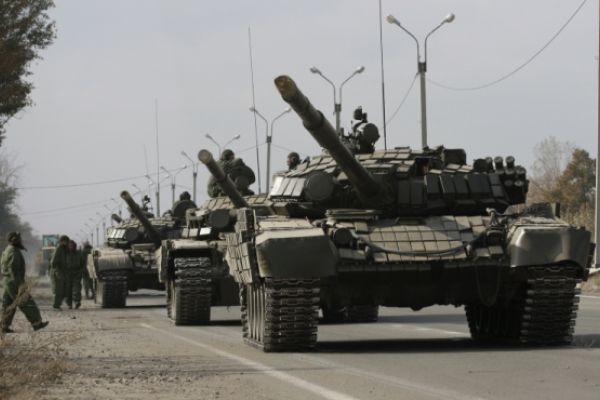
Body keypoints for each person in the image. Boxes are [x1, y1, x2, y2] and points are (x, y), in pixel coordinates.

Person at [0, 232, 49, 333]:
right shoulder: (14, 252)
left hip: (8, 281)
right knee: (26, 302)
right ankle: (37, 323)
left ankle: (4, 325)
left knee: (8, 304)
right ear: (14, 240)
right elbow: (13, 269)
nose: (20, 241)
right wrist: (20, 285)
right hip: (14, 282)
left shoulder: (7, 250)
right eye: (18, 239)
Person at [49, 235, 69, 310]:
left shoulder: (63, 249)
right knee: (58, 290)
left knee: (62, 290)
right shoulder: (58, 249)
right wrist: (58, 271)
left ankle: (57, 304)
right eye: (64, 241)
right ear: (61, 241)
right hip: (57, 272)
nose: (66, 243)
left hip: (62, 272)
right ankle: (56, 305)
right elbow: (53, 263)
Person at [65, 240, 83, 309]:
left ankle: (77, 302)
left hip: (77, 273)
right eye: (69, 246)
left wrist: (81, 272)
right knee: (68, 290)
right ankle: (69, 303)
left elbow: (82, 263)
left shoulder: (78, 253)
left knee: (77, 289)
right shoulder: (65, 254)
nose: (71, 247)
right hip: (67, 274)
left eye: (72, 245)